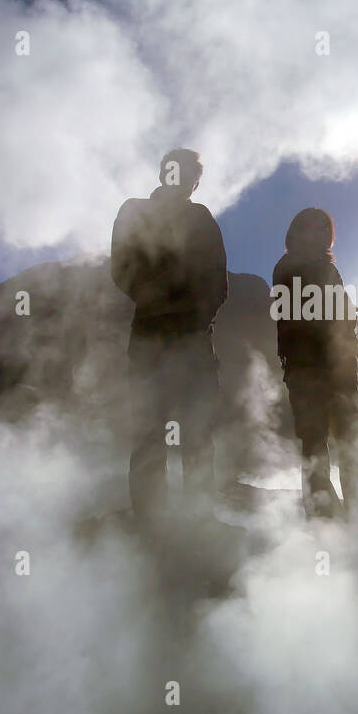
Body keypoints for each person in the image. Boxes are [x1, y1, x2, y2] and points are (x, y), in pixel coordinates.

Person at [110, 149, 227, 521]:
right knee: (150, 431)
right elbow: (121, 266)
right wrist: (158, 302)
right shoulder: (134, 210)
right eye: (179, 170)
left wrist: (196, 318)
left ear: (195, 181)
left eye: (193, 174)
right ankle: (151, 521)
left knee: (195, 431)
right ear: (164, 172)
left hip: (191, 338)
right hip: (152, 338)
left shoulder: (202, 218)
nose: (185, 179)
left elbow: (217, 279)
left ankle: (198, 519)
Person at [272, 208, 358, 518]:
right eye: (312, 229)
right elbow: (308, 316)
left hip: (330, 368)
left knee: (343, 443)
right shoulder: (290, 267)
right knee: (321, 444)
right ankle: (330, 517)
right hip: (311, 368)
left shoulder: (319, 269)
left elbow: (339, 313)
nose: (318, 236)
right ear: (297, 233)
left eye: (322, 231)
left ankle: (349, 515)